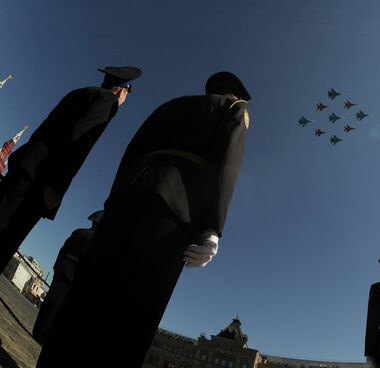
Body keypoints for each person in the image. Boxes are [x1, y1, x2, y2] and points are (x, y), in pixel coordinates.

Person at [37, 71, 251, 368]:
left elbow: (132, 151)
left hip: (127, 197)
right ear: (235, 95)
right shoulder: (234, 110)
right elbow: (226, 166)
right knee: (134, 315)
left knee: (88, 296)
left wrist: (114, 200)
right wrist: (212, 227)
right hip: (173, 211)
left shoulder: (170, 105)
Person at [0, 66, 142, 272]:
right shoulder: (107, 101)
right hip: (40, 180)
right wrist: (56, 186)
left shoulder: (80, 93)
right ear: (121, 91)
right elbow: (79, 142)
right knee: (5, 238)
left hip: (26, 165)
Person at [32, 210, 103, 344]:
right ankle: (42, 334)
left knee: (49, 302)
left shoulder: (78, 232)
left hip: (62, 269)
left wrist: (56, 267)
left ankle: (37, 330)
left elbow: (62, 250)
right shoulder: (96, 242)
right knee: (57, 307)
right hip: (72, 275)